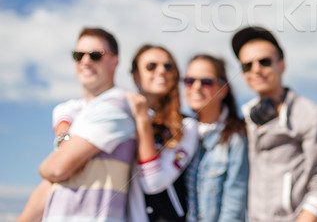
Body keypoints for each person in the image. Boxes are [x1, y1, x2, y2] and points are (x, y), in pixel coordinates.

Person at [231, 26, 317, 222]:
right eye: (247, 65)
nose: (256, 69)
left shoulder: (311, 115)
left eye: (264, 62)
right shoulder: (244, 118)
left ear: (282, 65)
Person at [35, 27, 137, 222]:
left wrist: (44, 167)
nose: (85, 61)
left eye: (95, 55)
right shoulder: (78, 109)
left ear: (115, 61)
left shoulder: (116, 106)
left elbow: (58, 169)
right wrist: (64, 137)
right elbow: (62, 112)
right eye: (78, 54)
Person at [127, 44, 199, 221]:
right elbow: (69, 109)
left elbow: (153, 182)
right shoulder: (123, 117)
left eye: (168, 66)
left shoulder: (188, 126)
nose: (161, 71)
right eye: (151, 66)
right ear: (136, 76)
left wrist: (142, 120)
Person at [183, 54, 249, 222]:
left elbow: (233, 207)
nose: (196, 87)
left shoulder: (235, 137)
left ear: (223, 89)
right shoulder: (181, 133)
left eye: (206, 82)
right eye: (190, 81)